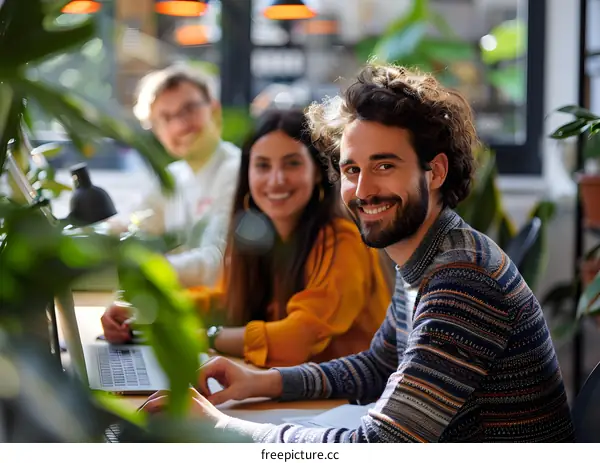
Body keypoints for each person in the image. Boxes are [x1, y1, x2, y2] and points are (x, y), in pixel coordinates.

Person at [139, 65, 575, 443]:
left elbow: (382, 442)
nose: (363, 190)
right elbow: (378, 365)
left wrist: (223, 428)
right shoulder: (426, 257)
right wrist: (262, 380)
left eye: (385, 166)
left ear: (436, 171)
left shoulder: (462, 278)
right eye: (352, 170)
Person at [105, 108, 390, 367]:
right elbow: (224, 301)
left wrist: (205, 336)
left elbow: (298, 339)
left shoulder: (344, 241)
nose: (276, 179)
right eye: (263, 166)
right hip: (287, 391)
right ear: (248, 173)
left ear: (317, 172)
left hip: (343, 404)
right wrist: (145, 313)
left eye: (292, 164)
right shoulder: (255, 234)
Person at [107, 64, 241, 288]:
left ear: (215, 111)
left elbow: (218, 262)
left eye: (189, 109)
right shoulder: (172, 178)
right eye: (166, 118)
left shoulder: (238, 170)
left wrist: (146, 268)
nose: (180, 124)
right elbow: (135, 224)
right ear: (157, 132)